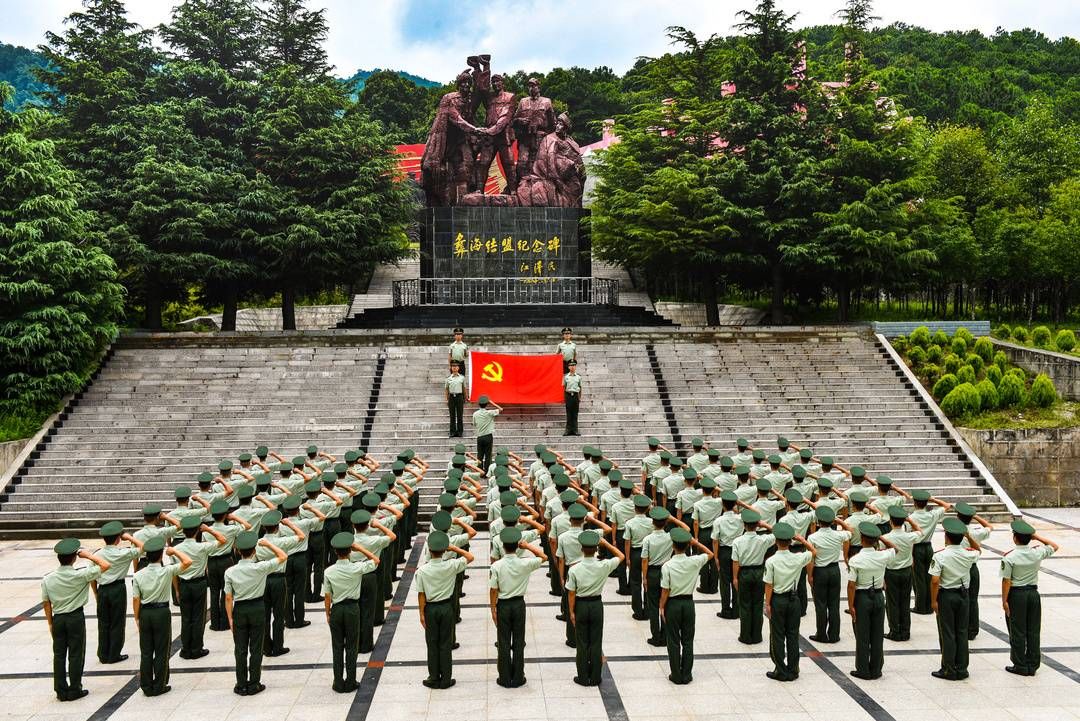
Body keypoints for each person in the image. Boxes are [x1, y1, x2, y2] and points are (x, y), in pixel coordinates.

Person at [42, 538, 111, 701]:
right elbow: (105, 566)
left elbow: (46, 603)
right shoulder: (81, 575)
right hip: (75, 618)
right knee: (75, 654)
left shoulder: (48, 579)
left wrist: (50, 623)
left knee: (59, 655)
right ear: (74, 558)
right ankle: (75, 688)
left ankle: (60, 690)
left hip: (58, 618)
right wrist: (88, 556)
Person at [225, 531, 288, 696]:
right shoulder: (260, 567)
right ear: (254, 551)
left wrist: (230, 618)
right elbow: (282, 557)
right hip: (257, 607)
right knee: (255, 647)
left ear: (238, 551)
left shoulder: (230, 572)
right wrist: (269, 544)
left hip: (239, 609)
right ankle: (254, 683)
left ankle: (241, 684)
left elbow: (228, 597)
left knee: (240, 649)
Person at [131, 538, 191, 696]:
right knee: (162, 650)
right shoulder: (167, 571)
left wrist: (137, 617)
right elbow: (188, 562)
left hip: (145, 613)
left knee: (146, 651)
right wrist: (175, 551)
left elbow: (136, 599)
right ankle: (159, 684)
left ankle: (146, 685)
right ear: (160, 556)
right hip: (161, 612)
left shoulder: (138, 575)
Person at [489, 527, 548, 688]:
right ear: (517, 546)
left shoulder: (497, 566)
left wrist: (493, 608)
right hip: (518, 604)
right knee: (518, 640)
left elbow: (493, 589)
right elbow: (543, 557)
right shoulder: (525, 563)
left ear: (503, 546)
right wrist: (527, 546)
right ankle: (518, 675)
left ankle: (505, 677)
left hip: (503, 605)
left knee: (503, 641)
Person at [323, 532, 380, 693]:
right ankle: (351, 680)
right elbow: (375, 560)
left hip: (337, 609)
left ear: (335, 551)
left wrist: (328, 613)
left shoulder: (329, 571)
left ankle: (338, 681)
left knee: (337, 647)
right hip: (352, 609)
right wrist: (361, 549)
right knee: (351, 646)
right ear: (350, 551)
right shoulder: (356, 568)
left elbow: (327, 595)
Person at [417, 530, 474, 689]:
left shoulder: (422, 570)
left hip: (431, 608)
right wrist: (454, 548)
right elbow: (470, 557)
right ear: (444, 551)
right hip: (446, 607)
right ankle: (446, 678)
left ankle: (434, 676)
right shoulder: (451, 565)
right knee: (445, 643)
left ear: (429, 550)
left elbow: (421, 594)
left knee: (432, 643)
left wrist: (421, 613)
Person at [1001, 519, 1059, 676]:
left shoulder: (1009, 557)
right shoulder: (1037, 552)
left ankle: (1020, 664)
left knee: (1018, 630)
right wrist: (1037, 537)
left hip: (1017, 595)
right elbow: (1054, 546)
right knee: (1033, 629)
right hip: (1033, 594)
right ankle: (1033, 663)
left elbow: (1007, 580)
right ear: (1029, 538)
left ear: (1015, 538)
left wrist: (1004, 601)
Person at [567, 530, 624, 686]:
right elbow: (621, 556)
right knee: (596, 640)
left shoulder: (574, 569)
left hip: (581, 605)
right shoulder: (603, 565)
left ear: (581, 549)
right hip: (596, 605)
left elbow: (571, 593)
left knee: (582, 642)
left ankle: (583, 677)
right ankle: (596, 676)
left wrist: (571, 611)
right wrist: (606, 543)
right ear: (596, 549)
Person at [659, 527, 715, 684]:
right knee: (688, 640)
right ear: (688, 545)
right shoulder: (694, 561)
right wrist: (695, 541)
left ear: (673, 546)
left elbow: (665, 591)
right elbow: (710, 554)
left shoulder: (667, 566)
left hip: (673, 604)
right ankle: (687, 674)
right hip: (689, 603)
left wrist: (661, 607)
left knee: (674, 640)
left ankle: (676, 674)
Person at [930, 517, 983, 680]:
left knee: (947, 632)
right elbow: (979, 550)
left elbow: (935, 580)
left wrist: (933, 601)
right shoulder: (968, 554)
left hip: (947, 596)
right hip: (963, 595)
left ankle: (948, 668)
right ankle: (962, 668)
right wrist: (968, 536)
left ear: (946, 536)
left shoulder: (940, 556)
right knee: (961, 631)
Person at [763, 523, 816, 681]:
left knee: (778, 636)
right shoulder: (799, 557)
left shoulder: (771, 561)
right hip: (794, 600)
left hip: (778, 600)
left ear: (776, 541)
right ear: (791, 541)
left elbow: (769, 585)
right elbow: (814, 552)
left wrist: (767, 604)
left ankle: (780, 669)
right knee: (793, 635)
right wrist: (802, 539)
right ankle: (793, 669)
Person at [847, 523, 897, 680]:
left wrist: (851, 606)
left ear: (861, 539)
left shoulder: (856, 560)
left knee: (863, 635)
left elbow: (851, 585)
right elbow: (896, 549)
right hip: (878, 596)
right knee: (877, 634)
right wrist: (880, 537)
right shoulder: (882, 555)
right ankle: (876, 669)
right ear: (875, 541)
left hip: (862, 598)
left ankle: (863, 669)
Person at [174, 515, 227, 659]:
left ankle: (186, 649)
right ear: (197, 531)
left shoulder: (177, 549)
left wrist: (177, 590)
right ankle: (196, 648)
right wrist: (208, 529)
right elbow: (223, 540)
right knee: (198, 618)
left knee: (186, 618)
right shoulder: (202, 547)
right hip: (199, 584)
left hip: (184, 584)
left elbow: (174, 571)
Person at [93, 521, 144, 664]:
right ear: (118, 539)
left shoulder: (97, 555)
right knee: (117, 621)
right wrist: (130, 537)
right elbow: (143, 547)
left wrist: (96, 593)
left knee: (103, 623)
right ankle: (114, 654)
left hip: (102, 589)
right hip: (117, 589)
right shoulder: (123, 553)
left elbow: (92, 576)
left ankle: (103, 654)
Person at [807, 507, 852, 643]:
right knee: (834, 603)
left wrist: (810, 576)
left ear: (819, 522)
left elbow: (811, 560)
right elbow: (851, 531)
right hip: (834, 570)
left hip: (820, 571)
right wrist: (839, 520)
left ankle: (821, 633)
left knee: (820, 604)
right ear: (831, 521)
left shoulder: (812, 537)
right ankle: (834, 634)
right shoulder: (838, 535)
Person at [732, 510, 776, 645]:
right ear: (757, 525)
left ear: (744, 525)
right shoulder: (763, 539)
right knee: (757, 605)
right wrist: (765, 525)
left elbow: (736, 562)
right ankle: (757, 636)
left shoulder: (738, 541)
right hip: (759, 573)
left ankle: (745, 636)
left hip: (744, 573)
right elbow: (778, 532)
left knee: (745, 605)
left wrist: (735, 578)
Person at [882, 506, 922, 642]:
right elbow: (920, 532)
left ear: (891, 521)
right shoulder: (909, 536)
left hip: (891, 572)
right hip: (906, 572)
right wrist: (910, 520)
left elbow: (882, 558)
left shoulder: (886, 538)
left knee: (892, 602)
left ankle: (895, 631)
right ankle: (905, 631)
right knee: (905, 602)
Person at [954, 502, 992, 640]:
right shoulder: (976, 532)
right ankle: (973, 629)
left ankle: (962, 627)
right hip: (972, 568)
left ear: (958, 516)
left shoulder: (954, 531)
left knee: (962, 599)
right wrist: (975, 516)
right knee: (973, 599)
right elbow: (989, 527)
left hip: (958, 568)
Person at [909, 489, 950, 614]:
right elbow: (947, 506)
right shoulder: (932, 515)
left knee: (918, 578)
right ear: (926, 503)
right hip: (928, 547)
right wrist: (932, 499)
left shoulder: (911, 518)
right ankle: (929, 605)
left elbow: (910, 538)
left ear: (914, 503)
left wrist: (910, 557)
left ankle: (921, 606)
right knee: (928, 576)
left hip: (916, 548)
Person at [642, 506, 673, 645]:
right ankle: (666, 635)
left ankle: (656, 637)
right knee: (665, 604)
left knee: (653, 606)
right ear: (666, 522)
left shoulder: (648, 539)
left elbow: (645, 560)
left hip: (652, 572)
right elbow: (687, 530)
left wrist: (644, 577)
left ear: (652, 522)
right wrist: (671, 518)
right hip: (666, 571)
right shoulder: (670, 537)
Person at [711, 491, 745, 619]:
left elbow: (715, 540)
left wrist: (716, 557)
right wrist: (741, 504)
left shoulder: (718, 521)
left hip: (724, 552)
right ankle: (736, 610)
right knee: (737, 580)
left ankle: (725, 609)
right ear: (735, 504)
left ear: (723, 505)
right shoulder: (741, 518)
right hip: (738, 551)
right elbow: (756, 514)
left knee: (725, 582)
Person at [472, 395, 502, 472]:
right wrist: (492, 403)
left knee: (480, 455)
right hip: (488, 436)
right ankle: (487, 471)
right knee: (488, 455)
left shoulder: (475, 414)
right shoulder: (489, 413)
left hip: (480, 436)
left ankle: (480, 470)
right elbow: (501, 409)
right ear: (486, 404)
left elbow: (474, 424)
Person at [445, 360, 467, 437]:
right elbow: (446, 389)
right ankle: (452, 432)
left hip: (459, 397)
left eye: (456, 366)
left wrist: (466, 397)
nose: (454, 368)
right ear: (451, 368)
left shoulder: (462, 378)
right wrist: (446, 399)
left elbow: (464, 388)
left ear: (458, 368)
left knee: (460, 415)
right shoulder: (448, 378)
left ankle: (460, 432)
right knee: (452, 415)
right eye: (453, 366)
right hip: (451, 397)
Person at [562, 360, 582, 436]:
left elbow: (580, 387)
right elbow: (564, 388)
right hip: (568, 395)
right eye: (571, 365)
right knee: (569, 413)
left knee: (575, 413)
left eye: (574, 365)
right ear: (568, 367)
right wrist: (565, 398)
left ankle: (575, 430)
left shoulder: (579, 377)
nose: (572, 367)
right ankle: (568, 430)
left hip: (576, 396)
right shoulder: (566, 377)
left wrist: (579, 397)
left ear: (575, 367)